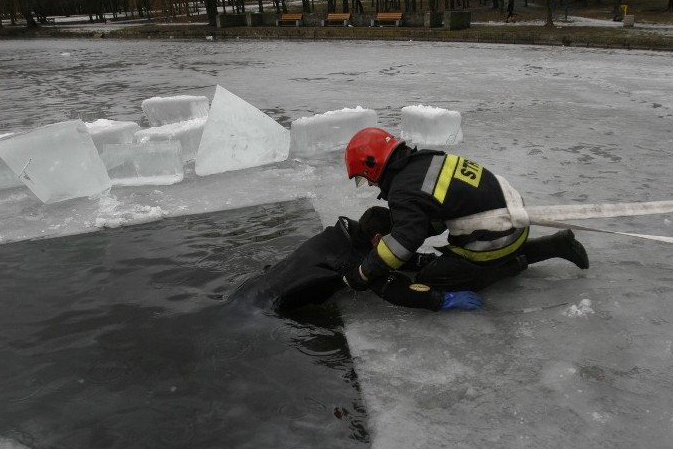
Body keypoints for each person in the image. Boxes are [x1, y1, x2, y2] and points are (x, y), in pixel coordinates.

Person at [341, 127, 589, 294]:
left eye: (365, 178)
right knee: (487, 246)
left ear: (372, 166)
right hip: (513, 219)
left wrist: (363, 272)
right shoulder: (425, 160)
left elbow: (405, 243)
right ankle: (556, 244)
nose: (371, 184)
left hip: (498, 234)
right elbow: (439, 213)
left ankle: (509, 267)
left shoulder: (403, 190)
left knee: (431, 279)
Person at [232, 206, 483, 314]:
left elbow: (387, 255)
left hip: (254, 287)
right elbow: (392, 288)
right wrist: (441, 299)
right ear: (376, 238)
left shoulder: (343, 234)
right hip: (264, 310)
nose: (397, 246)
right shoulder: (353, 260)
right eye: (393, 240)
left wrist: (421, 261)